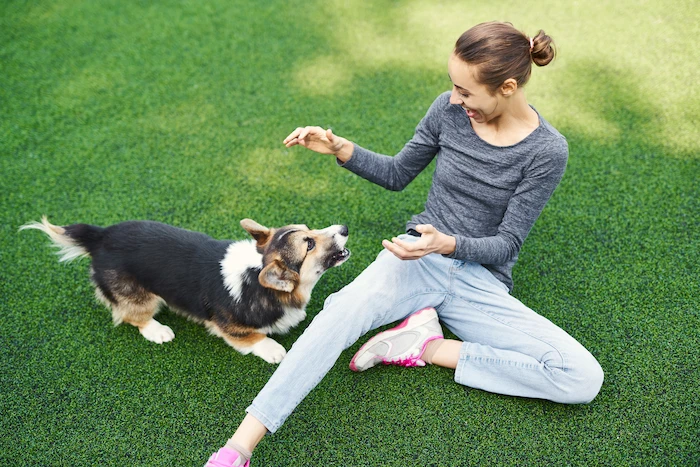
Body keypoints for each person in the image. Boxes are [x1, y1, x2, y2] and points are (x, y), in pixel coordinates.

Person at [205, 21, 604, 467]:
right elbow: (397, 174)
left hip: (478, 280)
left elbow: (507, 244)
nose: (455, 99)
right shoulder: (447, 111)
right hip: (412, 259)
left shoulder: (547, 151)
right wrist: (340, 148)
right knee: (337, 317)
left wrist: (447, 244)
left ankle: (424, 346)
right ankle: (238, 448)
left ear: (507, 87)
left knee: (582, 378)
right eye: (453, 87)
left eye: (466, 92)